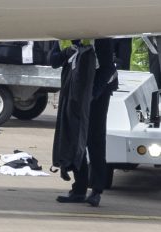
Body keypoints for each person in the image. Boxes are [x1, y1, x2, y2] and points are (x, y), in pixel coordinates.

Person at [50, 39, 118, 207]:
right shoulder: (66, 36)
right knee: (74, 136)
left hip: (98, 91)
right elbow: (53, 61)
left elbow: (108, 69)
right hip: (75, 89)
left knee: (94, 139)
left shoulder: (100, 36)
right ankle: (79, 189)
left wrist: (91, 95)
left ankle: (96, 190)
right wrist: (66, 53)